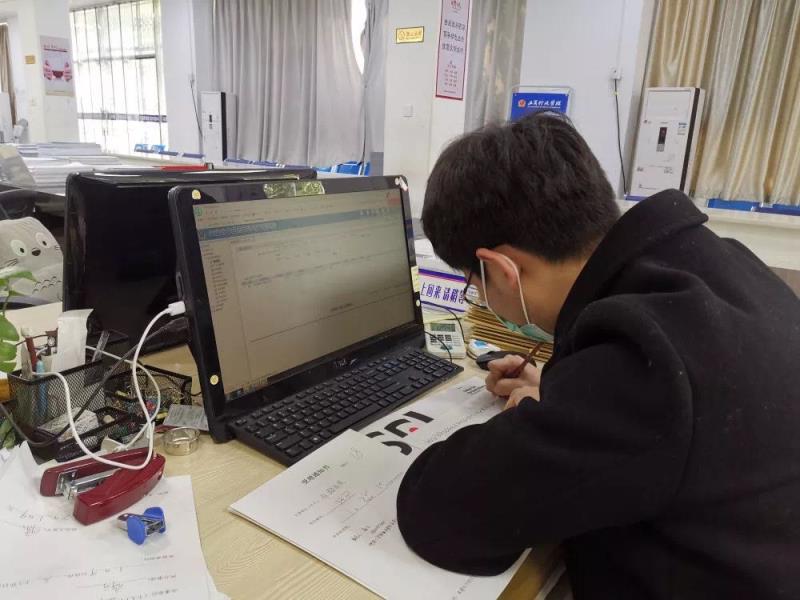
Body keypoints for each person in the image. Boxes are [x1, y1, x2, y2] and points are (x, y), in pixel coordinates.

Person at [396, 111, 800, 599]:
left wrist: (552, 416)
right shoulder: (716, 264)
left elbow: (439, 510)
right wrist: (571, 393)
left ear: (501, 269)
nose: (479, 298)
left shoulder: (643, 364)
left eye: (473, 284)